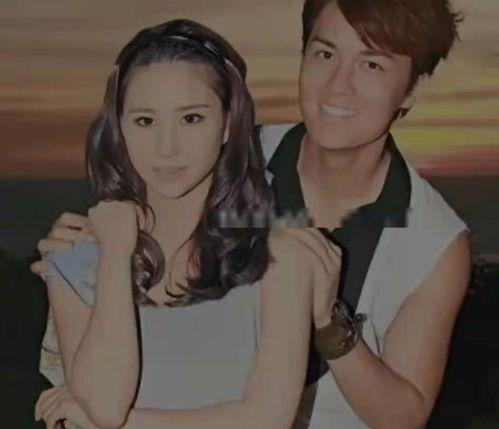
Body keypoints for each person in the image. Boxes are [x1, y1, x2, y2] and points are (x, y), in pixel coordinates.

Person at [33, 1, 471, 427]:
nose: (339, 85)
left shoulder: (434, 240)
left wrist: (328, 322)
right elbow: (147, 197)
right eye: (325, 54)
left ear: (413, 88)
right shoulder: (230, 152)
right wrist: (85, 244)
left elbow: (403, 416)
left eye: (371, 64)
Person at [32, 19, 340, 429]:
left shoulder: (280, 255)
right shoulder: (74, 258)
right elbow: (104, 405)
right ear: (119, 128)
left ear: (228, 124)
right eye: (145, 121)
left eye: (191, 118)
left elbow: (267, 420)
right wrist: (116, 253)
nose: (167, 147)